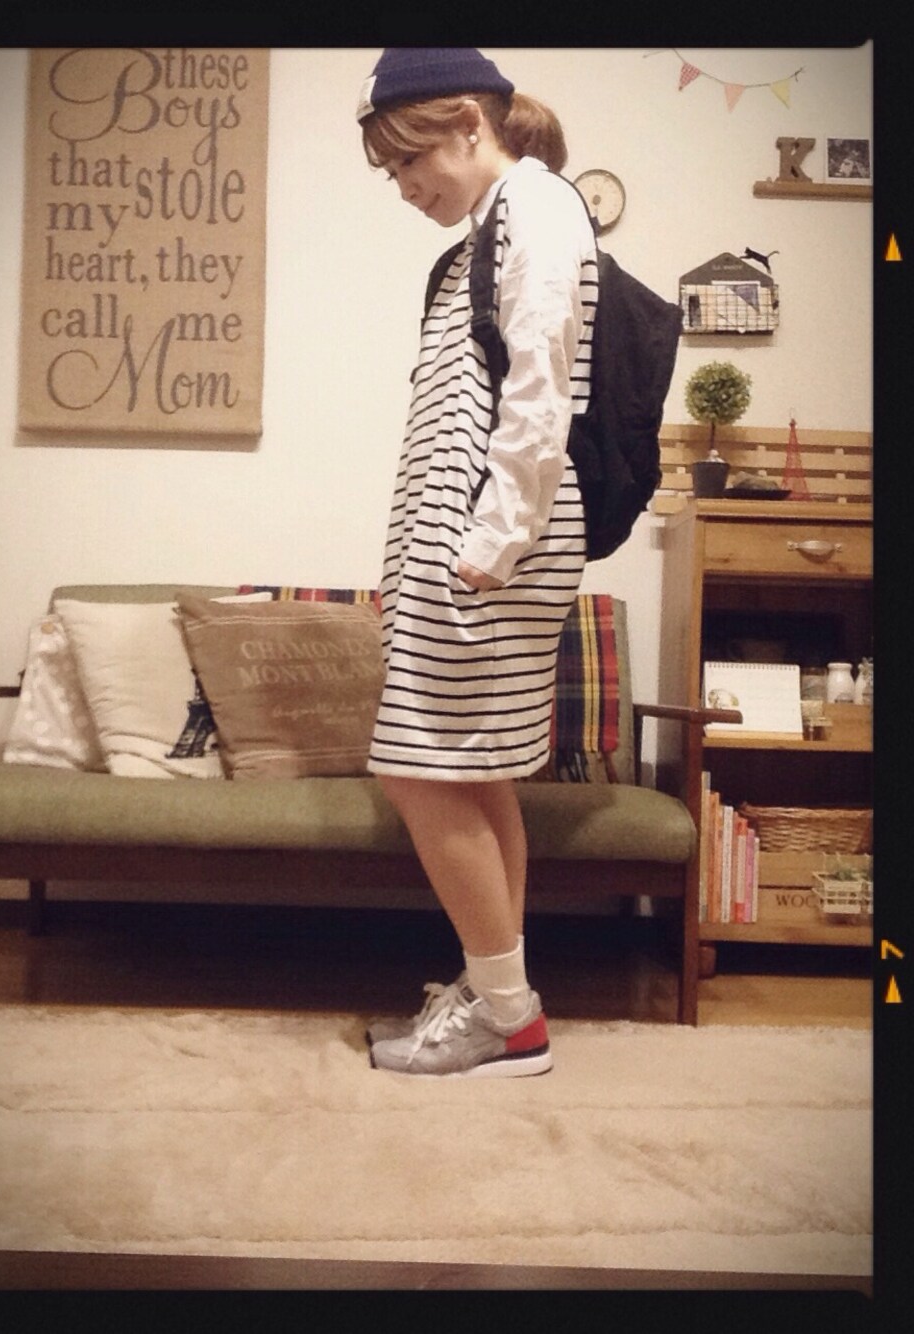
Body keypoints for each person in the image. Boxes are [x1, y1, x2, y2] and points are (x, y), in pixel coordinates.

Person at [357, 48, 599, 1076]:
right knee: (472, 766)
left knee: (416, 767)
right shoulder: (488, 231)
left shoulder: (533, 207)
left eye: (410, 161)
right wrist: (415, 555)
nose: (405, 187)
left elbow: (542, 385)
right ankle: (499, 995)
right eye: (390, 172)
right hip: (464, 539)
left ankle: (508, 1019)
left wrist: (491, 543)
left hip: (487, 542)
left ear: (467, 121)